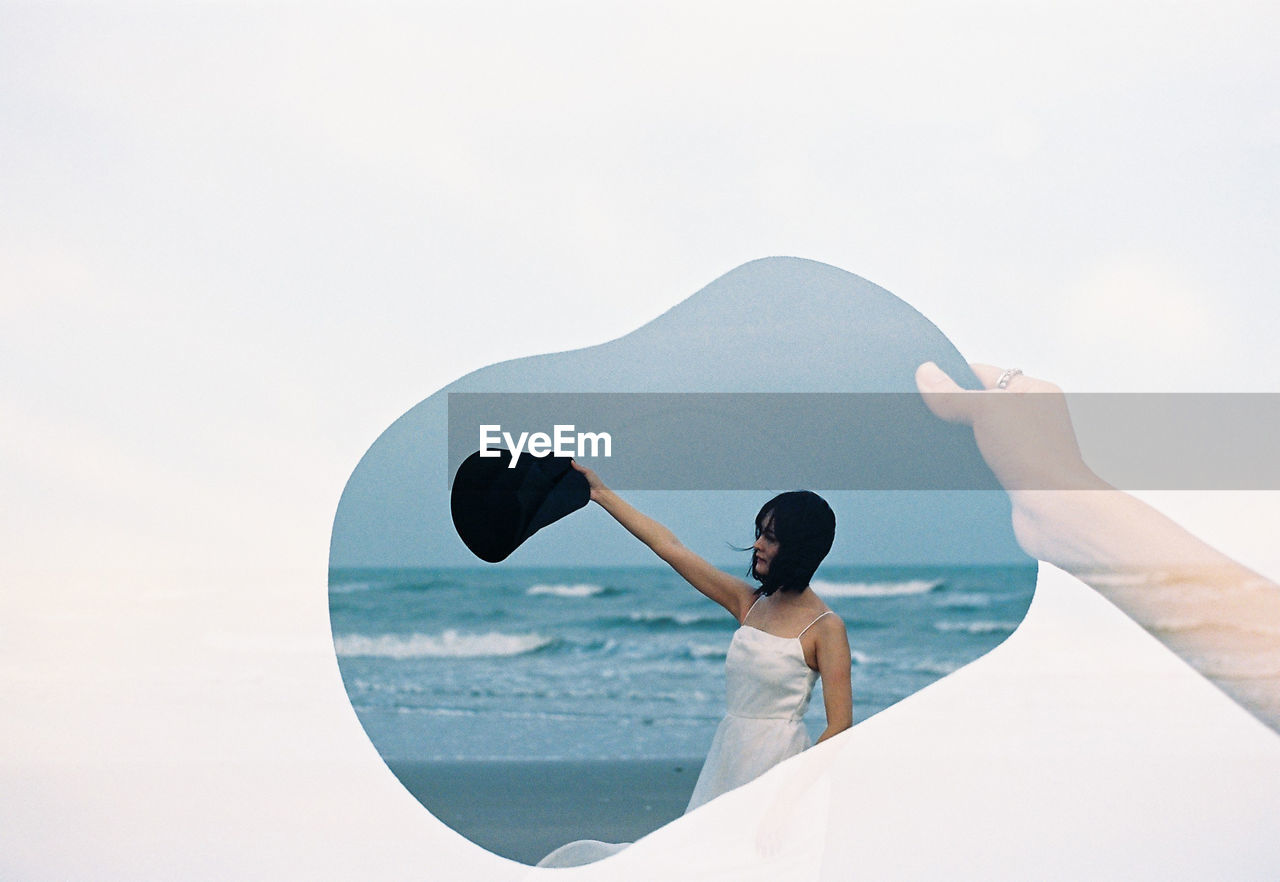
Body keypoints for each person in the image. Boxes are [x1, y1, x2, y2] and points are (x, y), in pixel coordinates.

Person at [535, 468, 853, 867]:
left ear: (800, 547)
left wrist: (787, 799)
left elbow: (839, 726)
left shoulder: (826, 628)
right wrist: (600, 494)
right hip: (730, 754)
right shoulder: (749, 602)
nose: (756, 545)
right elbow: (670, 547)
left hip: (782, 771)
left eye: (770, 537)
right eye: (759, 532)